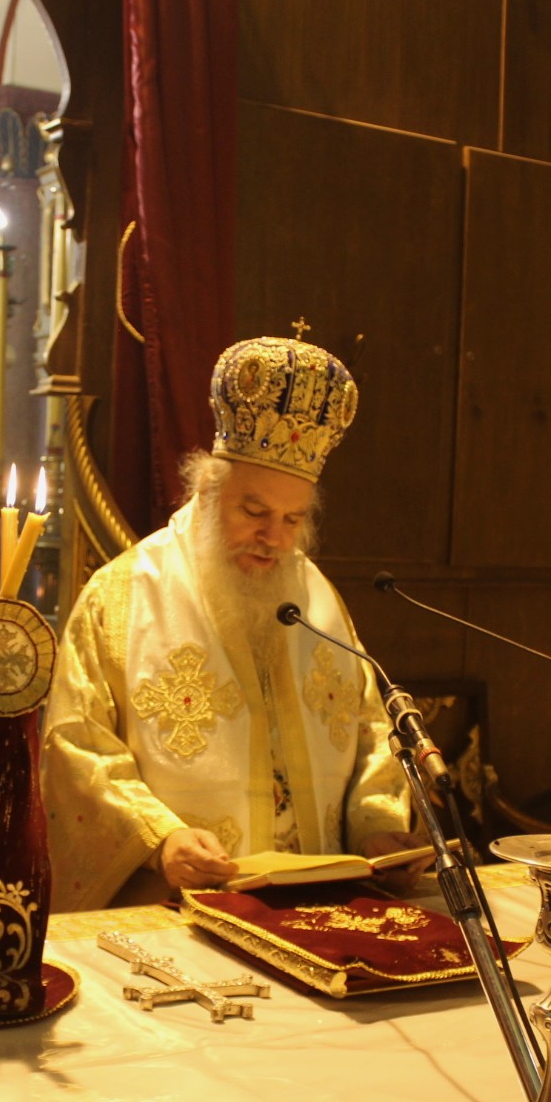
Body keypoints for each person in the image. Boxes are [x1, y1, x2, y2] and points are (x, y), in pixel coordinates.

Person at [42, 335, 419, 911]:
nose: (274, 538)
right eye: (254, 511)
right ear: (208, 489)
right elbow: (77, 746)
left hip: (321, 902)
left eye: (293, 518)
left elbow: (371, 731)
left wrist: (376, 828)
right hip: (185, 905)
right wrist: (160, 840)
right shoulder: (122, 597)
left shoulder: (316, 598)